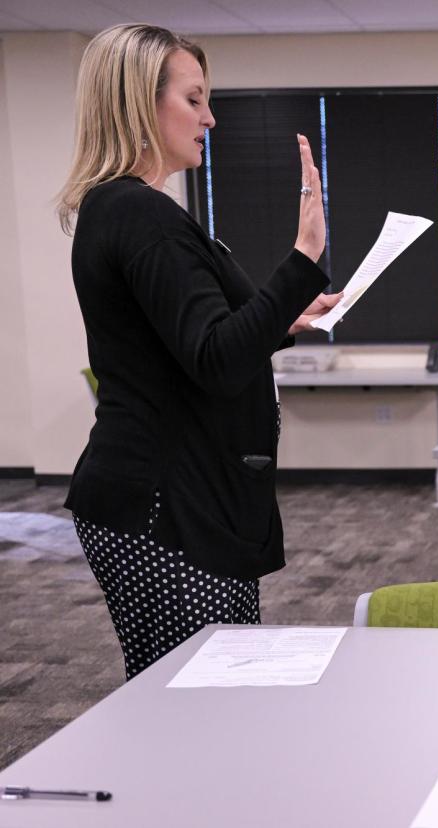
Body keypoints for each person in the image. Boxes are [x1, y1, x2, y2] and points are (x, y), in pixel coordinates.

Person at [56, 24, 339, 678]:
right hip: (169, 509)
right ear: (139, 105)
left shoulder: (122, 211)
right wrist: (303, 257)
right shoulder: (140, 215)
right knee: (203, 700)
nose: (210, 117)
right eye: (194, 99)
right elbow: (215, 357)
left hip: (164, 498)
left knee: (184, 695)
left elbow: (191, 344)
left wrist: (282, 320)